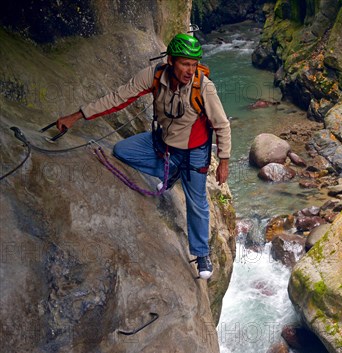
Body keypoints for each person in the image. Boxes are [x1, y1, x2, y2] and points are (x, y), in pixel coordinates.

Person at [57, 33, 231, 280]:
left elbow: (222, 125)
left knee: (197, 202)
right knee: (122, 151)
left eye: (193, 65)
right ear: (171, 60)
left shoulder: (203, 87)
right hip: (163, 143)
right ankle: (171, 172)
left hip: (195, 152)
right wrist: (77, 116)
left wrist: (223, 161)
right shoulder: (155, 76)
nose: (189, 70)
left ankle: (201, 253)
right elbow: (118, 98)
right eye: (184, 63)